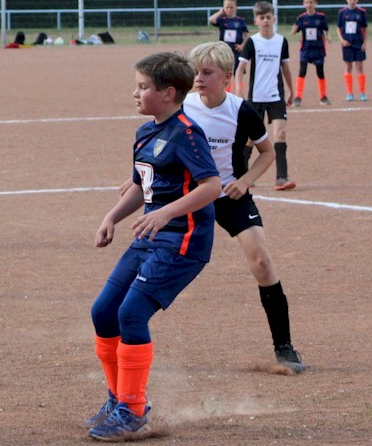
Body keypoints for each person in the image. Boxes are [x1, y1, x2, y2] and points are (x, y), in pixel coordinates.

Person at [86, 52, 222, 442]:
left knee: (131, 314)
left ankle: (132, 409)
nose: (135, 93)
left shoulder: (187, 133)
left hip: (183, 241)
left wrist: (165, 214)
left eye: (143, 87)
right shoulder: (146, 132)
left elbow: (211, 186)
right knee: (103, 312)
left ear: (168, 93)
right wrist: (112, 217)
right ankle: (119, 400)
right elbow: (138, 187)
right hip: (150, 237)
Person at [184, 41, 305, 373]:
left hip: (230, 197)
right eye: (195, 72)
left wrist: (245, 181)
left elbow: (266, 153)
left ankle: (285, 348)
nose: (198, 78)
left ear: (226, 77)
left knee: (262, 261)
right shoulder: (183, 106)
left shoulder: (242, 111)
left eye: (206, 72)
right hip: (190, 197)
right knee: (157, 259)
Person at [235, 1, 296, 191]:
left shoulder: (281, 41)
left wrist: (292, 90)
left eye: (268, 17)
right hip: (256, 98)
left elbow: (285, 67)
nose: (266, 20)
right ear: (256, 21)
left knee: (281, 133)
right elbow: (240, 68)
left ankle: (281, 177)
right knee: (251, 139)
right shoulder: (252, 42)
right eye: (262, 18)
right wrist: (239, 90)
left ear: (274, 19)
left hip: (276, 96)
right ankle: (241, 175)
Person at [291, 0, 332, 106]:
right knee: (302, 72)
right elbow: (294, 32)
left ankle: (323, 97)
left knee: (320, 72)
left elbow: (326, 29)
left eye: (311, 2)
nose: (309, 4)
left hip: (318, 49)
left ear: (315, 4)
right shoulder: (301, 18)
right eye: (307, 2)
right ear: (304, 4)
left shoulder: (321, 17)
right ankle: (298, 97)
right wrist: (294, 28)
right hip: (305, 49)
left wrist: (329, 36)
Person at [209, 0, 250, 92]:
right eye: (227, 7)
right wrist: (220, 12)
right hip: (224, 52)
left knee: (237, 72)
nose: (229, 9)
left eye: (231, 7)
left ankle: (238, 92)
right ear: (224, 8)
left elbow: (247, 35)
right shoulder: (222, 20)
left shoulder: (240, 21)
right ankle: (226, 93)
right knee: (224, 72)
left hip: (236, 51)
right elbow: (211, 19)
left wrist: (242, 46)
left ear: (236, 8)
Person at [336, 0, 368, 101]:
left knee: (359, 66)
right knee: (348, 66)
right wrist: (342, 40)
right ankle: (349, 93)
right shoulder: (342, 12)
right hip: (347, 44)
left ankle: (362, 93)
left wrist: (364, 43)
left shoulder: (361, 12)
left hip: (358, 44)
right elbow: (338, 28)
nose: (352, 1)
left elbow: (365, 28)